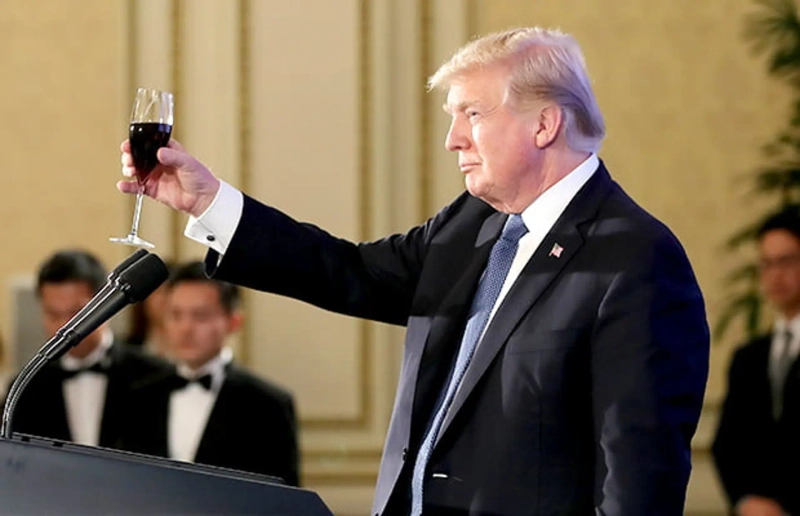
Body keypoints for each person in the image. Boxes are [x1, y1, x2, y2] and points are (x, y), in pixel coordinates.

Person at [118, 27, 709, 515]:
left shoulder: (635, 258)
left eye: (472, 114)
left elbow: (638, 482)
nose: (453, 140)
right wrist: (209, 202)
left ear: (545, 124)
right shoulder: (471, 224)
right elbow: (349, 271)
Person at [116, 261, 299, 485]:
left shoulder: (269, 405)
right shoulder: (138, 398)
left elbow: (284, 495)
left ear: (233, 322)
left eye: (200, 316)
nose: (185, 328)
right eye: (175, 315)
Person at [1, 250, 170, 448]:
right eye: (53, 314)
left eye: (76, 313)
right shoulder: (26, 387)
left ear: (106, 306)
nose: (65, 326)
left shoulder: (154, 375)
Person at [712, 206, 800, 516]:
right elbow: (727, 444)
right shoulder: (748, 357)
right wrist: (746, 500)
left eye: (786, 261)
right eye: (767, 263)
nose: (776, 274)